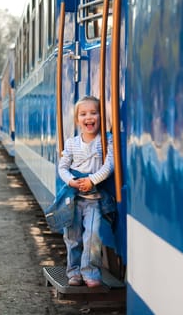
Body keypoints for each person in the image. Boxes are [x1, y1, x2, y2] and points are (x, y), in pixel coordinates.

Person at [58, 95, 114, 288]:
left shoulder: (106, 142)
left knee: (93, 234)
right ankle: (73, 272)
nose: (89, 117)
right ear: (77, 120)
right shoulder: (72, 143)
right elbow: (62, 167)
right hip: (72, 199)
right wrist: (72, 181)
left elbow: (109, 166)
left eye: (94, 112)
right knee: (72, 237)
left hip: (93, 199)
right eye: (83, 114)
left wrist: (92, 180)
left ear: (101, 116)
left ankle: (90, 272)